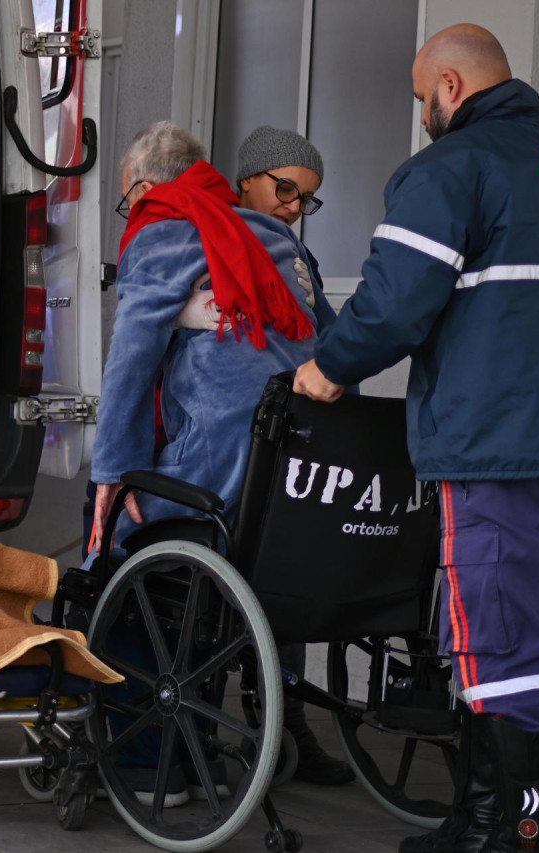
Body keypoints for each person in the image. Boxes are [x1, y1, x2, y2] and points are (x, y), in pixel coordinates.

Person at [293, 24, 539, 853]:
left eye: (422, 98)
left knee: (492, 630)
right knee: (536, 627)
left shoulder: (449, 170)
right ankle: (511, 818)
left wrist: (329, 369)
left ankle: (504, 831)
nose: (422, 114)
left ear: (450, 87)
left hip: (496, 443)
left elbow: (393, 303)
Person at [90, 120, 334, 806]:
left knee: (119, 554)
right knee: (202, 586)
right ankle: (200, 757)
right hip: (293, 481)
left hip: (222, 470)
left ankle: (147, 762)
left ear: (143, 187)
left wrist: (110, 476)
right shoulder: (281, 246)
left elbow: (131, 366)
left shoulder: (164, 227)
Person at [218, 124, 355, 789]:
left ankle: (286, 719)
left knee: (287, 569)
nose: (295, 205)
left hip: (288, 439)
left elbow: (330, 336)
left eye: (306, 198)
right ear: (248, 179)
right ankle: (232, 724)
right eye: (286, 188)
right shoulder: (208, 235)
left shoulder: (298, 259)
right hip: (223, 442)